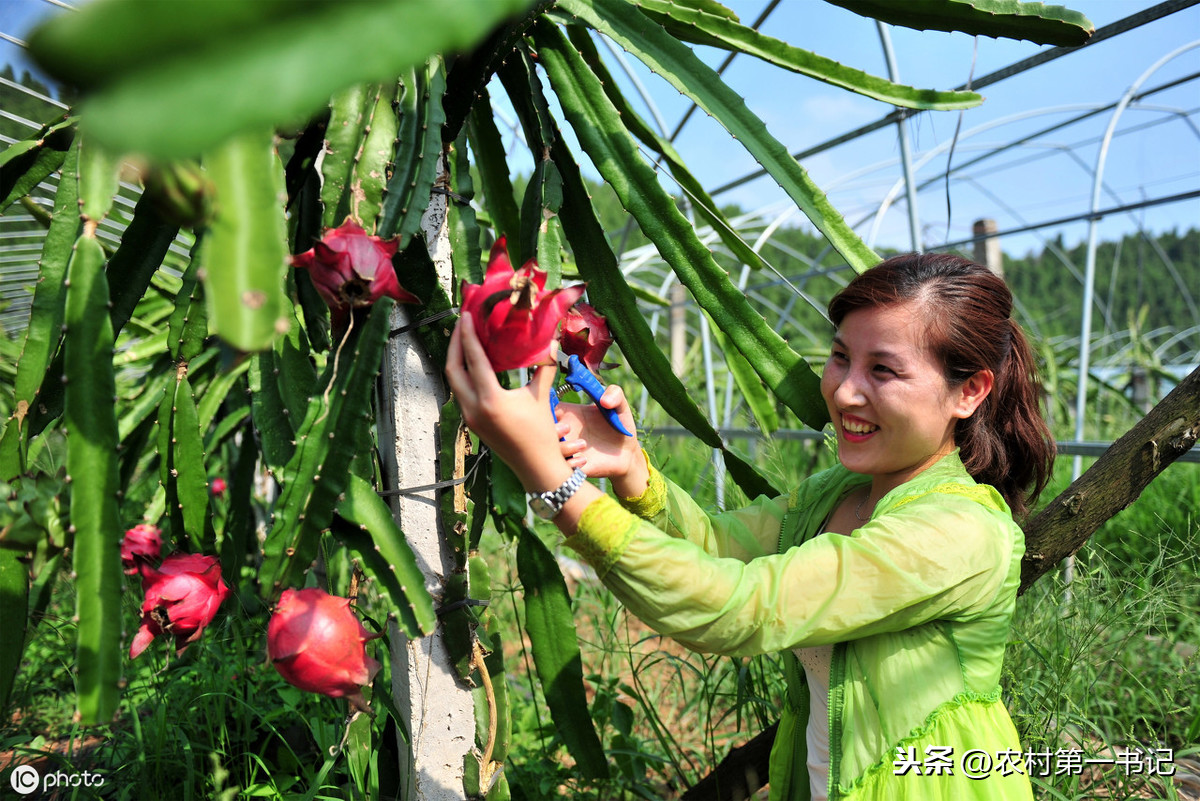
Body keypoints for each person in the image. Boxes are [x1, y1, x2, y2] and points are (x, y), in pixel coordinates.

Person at [445, 252, 1056, 801]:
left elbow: (742, 607)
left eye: (884, 371)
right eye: (841, 357)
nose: (844, 392)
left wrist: (557, 487)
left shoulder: (959, 531)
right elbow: (717, 549)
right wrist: (631, 470)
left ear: (970, 392)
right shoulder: (838, 494)